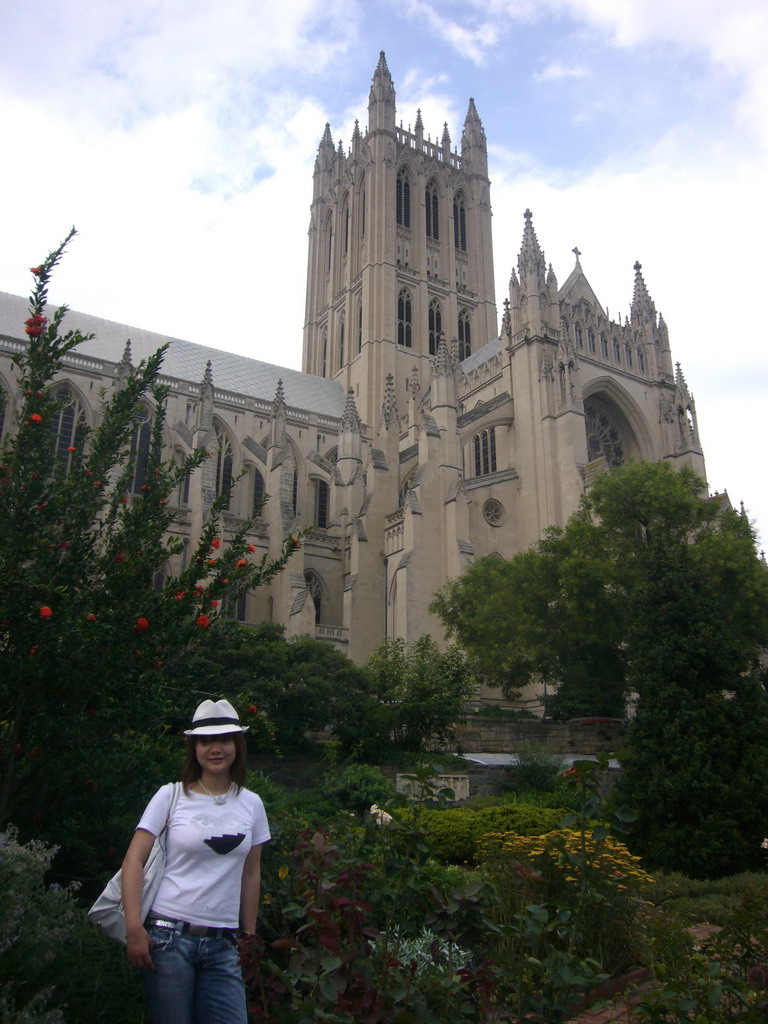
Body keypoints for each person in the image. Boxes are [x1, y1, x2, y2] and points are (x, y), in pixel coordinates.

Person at [121, 698, 270, 1024]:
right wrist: (133, 927)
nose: (215, 748)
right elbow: (133, 860)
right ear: (195, 747)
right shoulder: (170, 796)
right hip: (168, 939)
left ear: (237, 746)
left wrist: (249, 933)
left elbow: (251, 872)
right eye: (206, 740)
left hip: (224, 944)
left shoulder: (252, 804)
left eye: (224, 739)